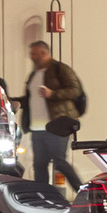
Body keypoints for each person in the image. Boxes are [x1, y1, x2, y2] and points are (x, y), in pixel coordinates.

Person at [25, 37, 86, 194]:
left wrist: (53, 94)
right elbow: (30, 98)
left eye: (34, 54)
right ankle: (43, 197)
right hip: (37, 128)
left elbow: (75, 90)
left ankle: (83, 192)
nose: (31, 57)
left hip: (56, 125)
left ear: (44, 53)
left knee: (59, 162)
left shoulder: (60, 69)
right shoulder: (34, 74)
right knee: (39, 165)